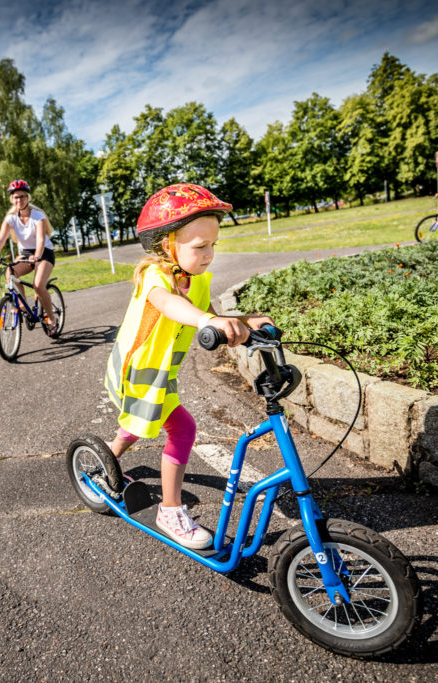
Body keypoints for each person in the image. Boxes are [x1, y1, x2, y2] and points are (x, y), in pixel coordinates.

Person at [104, 183, 274, 549]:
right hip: (138, 372)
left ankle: (107, 457)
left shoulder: (194, 279)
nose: (209, 254)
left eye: (213, 244)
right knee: (182, 429)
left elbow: (207, 313)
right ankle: (170, 511)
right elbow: (171, 306)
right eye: (200, 247)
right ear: (168, 246)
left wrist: (244, 321)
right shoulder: (155, 276)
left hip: (158, 373)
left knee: (139, 421)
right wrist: (207, 320)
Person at [0, 179, 58, 334]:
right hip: (26, 253)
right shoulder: (11, 218)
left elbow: (40, 239)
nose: (19, 200)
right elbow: (0, 239)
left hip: (44, 252)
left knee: (38, 285)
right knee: (10, 271)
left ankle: (51, 318)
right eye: (16, 197)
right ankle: (23, 307)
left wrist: (37, 256)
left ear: (28, 198)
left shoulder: (37, 216)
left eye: (22, 196)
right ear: (12, 199)